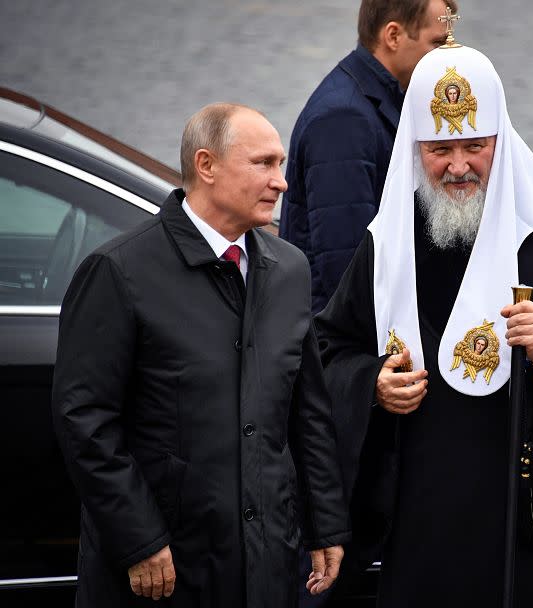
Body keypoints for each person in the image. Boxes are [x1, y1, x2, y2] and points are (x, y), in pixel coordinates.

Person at [314, 42, 533, 607]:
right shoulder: (386, 248)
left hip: (530, 520)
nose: (457, 166)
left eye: (475, 146)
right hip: (426, 517)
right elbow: (329, 349)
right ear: (413, 148)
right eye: (440, 148)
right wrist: (371, 383)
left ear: (501, 140)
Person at [51, 103, 350, 608]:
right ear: (206, 166)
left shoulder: (290, 269)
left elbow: (308, 412)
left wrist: (326, 522)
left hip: (265, 560)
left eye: (281, 165)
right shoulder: (119, 271)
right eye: (264, 164)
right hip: (166, 567)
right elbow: (85, 421)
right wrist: (138, 539)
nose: (281, 183)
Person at [280, 0, 457, 314]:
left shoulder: (381, 100)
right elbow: (347, 265)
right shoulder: (344, 118)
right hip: (339, 347)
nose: (449, 57)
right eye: (437, 43)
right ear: (393, 36)